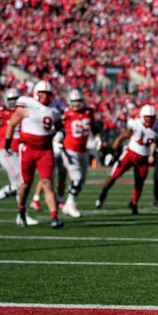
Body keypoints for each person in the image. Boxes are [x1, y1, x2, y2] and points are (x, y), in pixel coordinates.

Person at [5, 80, 65, 229]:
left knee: (47, 183)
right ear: (36, 93)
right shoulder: (26, 104)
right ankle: (21, 211)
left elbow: (59, 127)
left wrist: (60, 134)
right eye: (42, 93)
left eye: (48, 93)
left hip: (45, 149)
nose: (45, 96)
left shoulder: (55, 108)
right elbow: (12, 124)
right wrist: (7, 142)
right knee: (26, 184)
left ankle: (54, 217)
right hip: (28, 149)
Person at [0, 89, 38, 225]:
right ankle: (21, 214)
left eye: (15, 100)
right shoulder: (1, 113)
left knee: (18, 185)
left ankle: (18, 214)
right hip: (8, 152)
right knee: (21, 183)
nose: (13, 103)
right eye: (11, 100)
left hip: (21, 152)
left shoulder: (24, 111)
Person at [96, 105, 157, 215]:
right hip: (130, 154)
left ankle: (134, 203)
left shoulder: (156, 128)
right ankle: (103, 194)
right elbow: (121, 137)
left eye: (152, 117)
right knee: (114, 175)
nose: (149, 120)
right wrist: (111, 152)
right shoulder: (136, 125)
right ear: (142, 116)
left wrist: (152, 153)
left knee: (139, 183)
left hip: (143, 158)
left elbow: (154, 141)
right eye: (147, 117)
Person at [60, 89, 94, 218]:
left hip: (83, 150)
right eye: (74, 101)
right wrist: (58, 136)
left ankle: (68, 203)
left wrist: (97, 136)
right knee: (76, 178)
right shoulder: (66, 113)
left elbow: (94, 126)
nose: (77, 104)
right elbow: (58, 126)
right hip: (70, 150)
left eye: (79, 101)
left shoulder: (89, 112)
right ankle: (71, 204)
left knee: (82, 181)